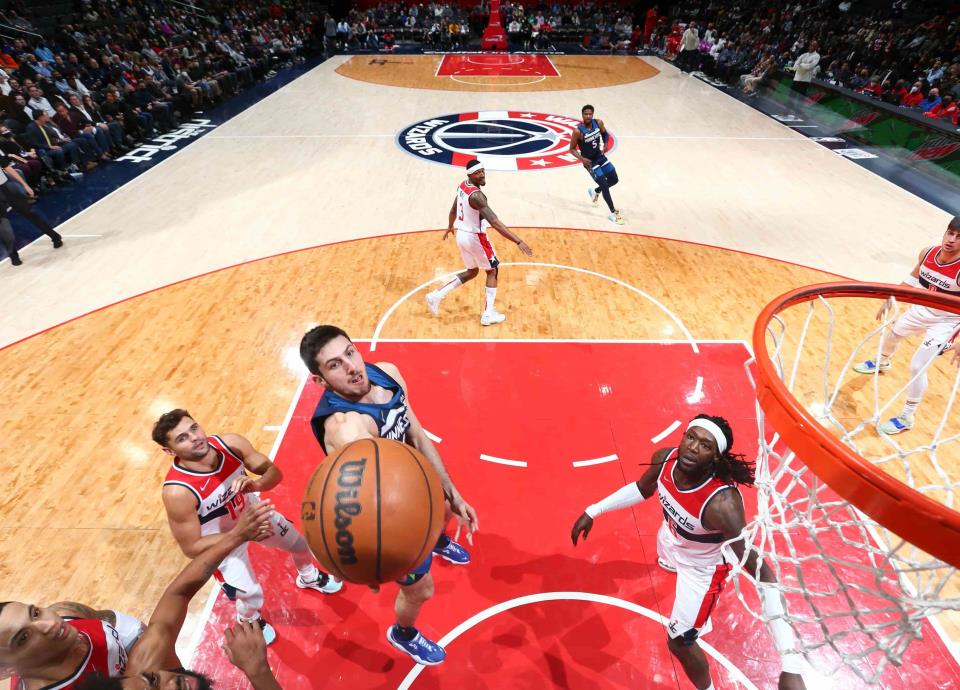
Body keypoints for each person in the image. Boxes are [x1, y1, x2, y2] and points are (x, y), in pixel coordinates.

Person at [571, 414, 807, 690]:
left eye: (705, 445)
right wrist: (594, 510)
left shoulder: (722, 506)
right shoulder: (665, 459)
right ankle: (673, 564)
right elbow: (642, 488)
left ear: (715, 457)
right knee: (668, 545)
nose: (693, 447)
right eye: (691, 437)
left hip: (702, 569)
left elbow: (762, 572)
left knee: (679, 642)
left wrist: (791, 665)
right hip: (673, 540)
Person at [298, 325, 480, 665]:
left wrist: (452, 493)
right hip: (386, 512)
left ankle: (437, 538)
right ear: (320, 381)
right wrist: (373, 566)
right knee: (422, 590)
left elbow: (416, 433)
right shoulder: (347, 428)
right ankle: (403, 633)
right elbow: (365, 508)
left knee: (443, 506)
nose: (351, 367)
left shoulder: (387, 374)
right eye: (335, 365)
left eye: (350, 353)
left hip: (409, 481)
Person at [152, 409, 343, 645]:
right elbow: (191, 547)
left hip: (252, 516)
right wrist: (240, 533)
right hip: (221, 541)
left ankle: (308, 577)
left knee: (300, 545)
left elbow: (274, 472)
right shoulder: (178, 492)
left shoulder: (231, 444)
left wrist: (257, 485)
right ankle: (249, 619)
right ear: (170, 451)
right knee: (251, 594)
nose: (195, 437)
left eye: (194, 428)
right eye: (182, 438)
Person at [73, 501, 282, 690]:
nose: (173, 684)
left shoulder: (145, 663)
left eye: (153, 680)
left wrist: (236, 536)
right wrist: (258, 671)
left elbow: (179, 593)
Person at [853, 216, 960, 434]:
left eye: (959, 237)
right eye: (950, 233)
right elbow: (912, 278)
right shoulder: (928, 253)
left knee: (917, 366)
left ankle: (907, 416)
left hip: (947, 320)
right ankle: (883, 361)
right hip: (922, 309)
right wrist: (891, 296)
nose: (951, 240)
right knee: (892, 335)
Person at [424, 159, 533, 325]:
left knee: (472, 271)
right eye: (477, 173)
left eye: (482, 171)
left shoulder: (463, 186)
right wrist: (518, 241)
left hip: (462, 235)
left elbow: (453, 209)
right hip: (475, 237)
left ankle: (436, 296)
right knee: (492, 271)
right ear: (470, 175)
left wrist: (450, 225)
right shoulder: (477, 196)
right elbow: (495, 222)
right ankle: (488, 314)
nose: (482, 174)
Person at [0, 601, 144, 690]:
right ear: (4, 672)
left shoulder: (66, 612)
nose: (50, 624)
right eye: (24, 637)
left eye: (35, 613)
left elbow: (115, 621)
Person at [570, 105, 624, 225]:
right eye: (585, 114)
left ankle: (596, 191)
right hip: (589, 162)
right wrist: (582, 159)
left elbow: (605, 134)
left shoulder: (598, 123)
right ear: (582, 115)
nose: (588, 116)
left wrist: (605, 143)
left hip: (600, 156)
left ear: (593, 114)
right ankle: (613, 213)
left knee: (614, 179)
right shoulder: (578, 131)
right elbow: (572, 149)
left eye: (590, 114)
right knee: (604, 184)